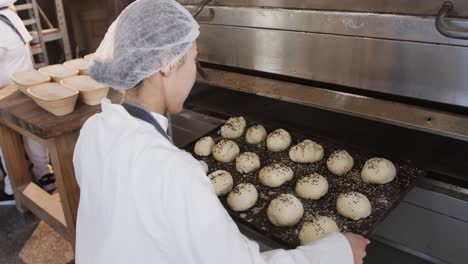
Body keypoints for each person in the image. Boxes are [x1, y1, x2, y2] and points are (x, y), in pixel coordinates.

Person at [73, 0, 369, 263]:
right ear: (166, 65)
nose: (194, 71)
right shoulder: (173, 172)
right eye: (193, 59)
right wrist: (337, 253)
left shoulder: (93, 133)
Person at [0, 0, 55, 205]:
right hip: (10, 23)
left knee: (4, 130)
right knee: (26, 107)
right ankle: (45, 174)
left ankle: (11, 186)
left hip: (3, 24)